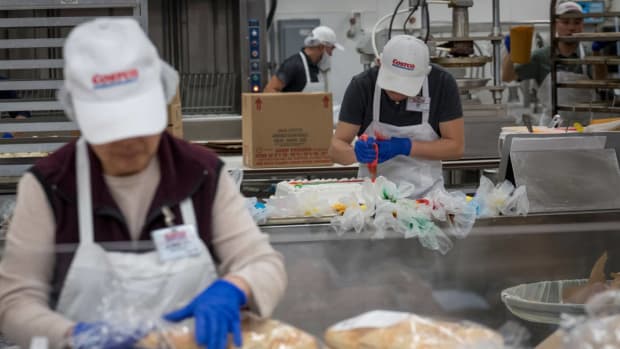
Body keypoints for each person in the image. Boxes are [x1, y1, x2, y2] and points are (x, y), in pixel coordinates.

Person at [0, 18, 286, 349]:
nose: (128, 142)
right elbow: (15, 300)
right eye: (111, 128)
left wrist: (237, 286)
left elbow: (264, 264)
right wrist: (73, 337)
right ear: (79, 114)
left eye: (138, 123)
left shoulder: (202, 173)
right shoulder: (50, 184)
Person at [328, 35, 464, 198]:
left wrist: (405, 147)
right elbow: (335, 148)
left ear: (424, 74)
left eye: (406, 85)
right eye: (392, 82)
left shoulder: (442, 84)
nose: (397, 92)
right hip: (373, 198)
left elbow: (455, 147)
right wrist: (355, 154)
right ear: (379, 64)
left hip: (427, 198)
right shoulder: (363, 86)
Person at [502, 1, 609, 124]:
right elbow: (508, 77)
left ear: (582, 25)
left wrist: (597, 54)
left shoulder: (589, 55)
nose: (571, 28)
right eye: (565, 22)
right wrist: (511, 53)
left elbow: (601, 81)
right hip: (551, 128)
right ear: (555, 25)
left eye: (577, 22)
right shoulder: (541, 57)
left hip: (584, 128)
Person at [264, 25, 343, 93]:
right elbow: (269, 90)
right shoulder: (293, 65)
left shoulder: (315, 67)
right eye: (331, 49)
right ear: (321, 47)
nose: (331, 54)